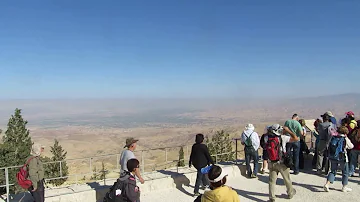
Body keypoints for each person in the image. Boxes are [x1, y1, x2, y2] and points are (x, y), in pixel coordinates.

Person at [265, 124, 296, 202]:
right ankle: (290, 193)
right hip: (282, 162)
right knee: (287, 179)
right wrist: (288, 130)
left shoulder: (267, 138)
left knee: (272, 181)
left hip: (271, 162)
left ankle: (272, 197)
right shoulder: (283, 138)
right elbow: (296, 138)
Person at [323, 126, 354, 192]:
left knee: (333, 171)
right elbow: (351, 146)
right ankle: (344, 187)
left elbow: (329, 145)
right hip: (343, 157)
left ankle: (327, 184)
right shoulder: (345, 139)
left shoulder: (333, 137)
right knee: (345, 172)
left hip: (333, 156)